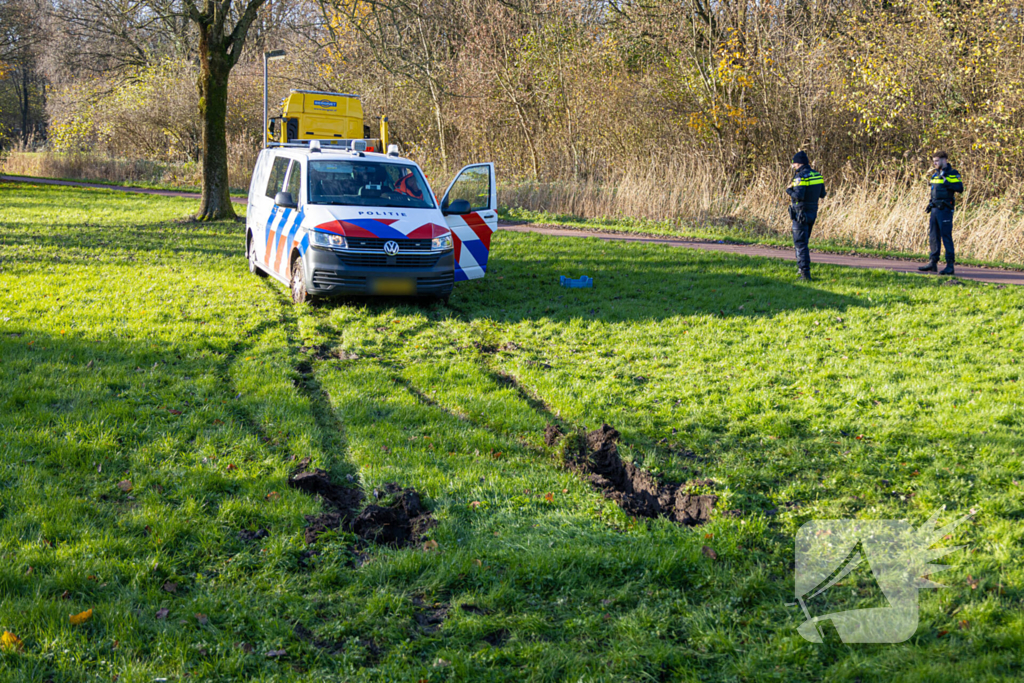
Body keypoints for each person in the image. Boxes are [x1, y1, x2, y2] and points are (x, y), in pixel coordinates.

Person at [918, 151, 963, 275]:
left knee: (946, 237)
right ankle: (933, 262)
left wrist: (947, 182)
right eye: (934, 161)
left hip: (945, 210)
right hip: (934, 210)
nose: (935, 163)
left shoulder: (952, 173)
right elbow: (935, 192)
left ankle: (950, 265)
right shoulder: (935, 175)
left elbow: (960, 188)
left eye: (937, 161)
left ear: (944, 160)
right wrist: (930, 203)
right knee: (933, 237)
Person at [786, 151, 827, 281]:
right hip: (812, 212)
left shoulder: (800, 177)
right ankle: (801, 269)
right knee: (805, 241)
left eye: (793, 163)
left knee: (800, 244)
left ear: (798, 163)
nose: (793, 166)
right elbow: (822, 194)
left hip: (800, 214)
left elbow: (798, 196)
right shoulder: (818, 175)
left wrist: (789, 190)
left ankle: (805, 274)